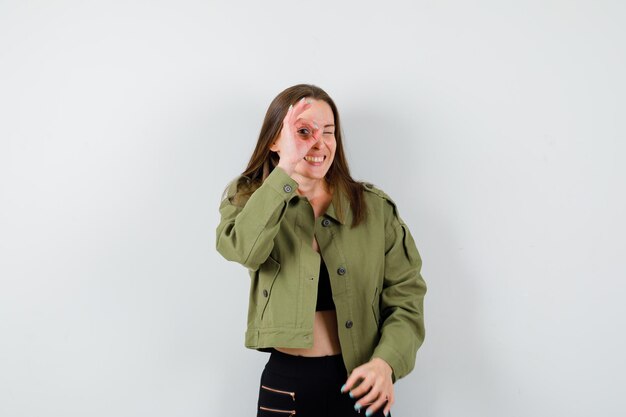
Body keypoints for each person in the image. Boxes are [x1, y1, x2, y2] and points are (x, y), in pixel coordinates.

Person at [215, 84, 426, 417]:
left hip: (362, 384)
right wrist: (285, 170)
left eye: (328, 132)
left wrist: (385, 364)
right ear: (275, 140)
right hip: (287, 385)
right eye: (303, 131)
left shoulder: (373, 208)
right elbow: (244, 249)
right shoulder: (249, 199)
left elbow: (406, 297)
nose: (318, 143)